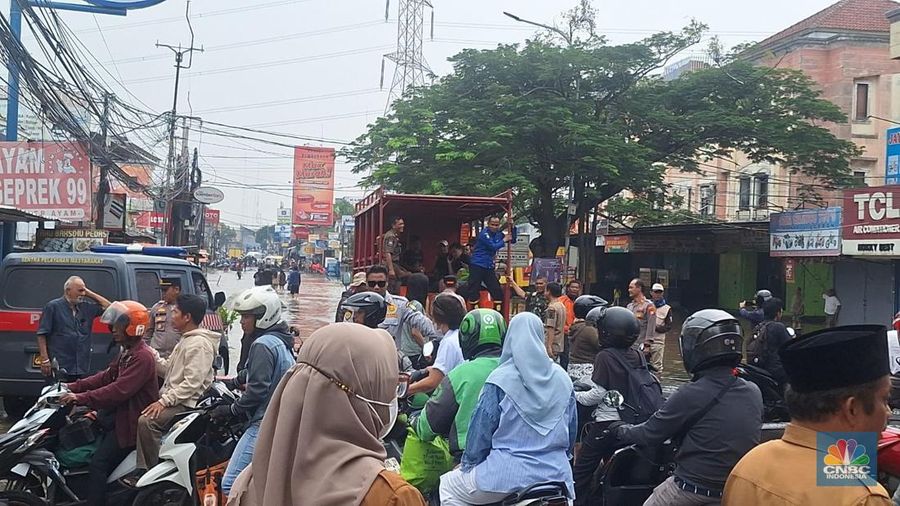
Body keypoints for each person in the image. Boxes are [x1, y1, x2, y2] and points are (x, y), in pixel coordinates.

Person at [226, 323, 426, 506]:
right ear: (364, 394)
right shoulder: (390, 496)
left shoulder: (251, 480)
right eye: (389, 386)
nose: (392, 397)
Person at [607, 309, 763, 506]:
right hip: (736, 489)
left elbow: (648, 434)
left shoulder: (690, 393)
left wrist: (618, 429)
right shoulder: (753, 391)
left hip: (692, 488)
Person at [723, 325, 893, 506]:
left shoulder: (749, 466)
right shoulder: (862, 498)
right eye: (884, 399)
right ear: (852, 409)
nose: (888, 412)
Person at [439, 312, 577, 504]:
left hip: (503, 476)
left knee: (447, 486)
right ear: (541, 335)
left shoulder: (500, 379)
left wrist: (468, 464)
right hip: (558, 477)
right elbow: (571, 433)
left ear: (509, 338)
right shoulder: (563, 378)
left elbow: (480, 431)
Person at [60, 301, 159, 506]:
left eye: (118, 325)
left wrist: (80, 398)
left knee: (98, 464)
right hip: (114, 417)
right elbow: (104, 377)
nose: (113, 329)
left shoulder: (142, 357)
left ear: (132, 328)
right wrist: (71, 386)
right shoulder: (126, 352)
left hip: (128, 425)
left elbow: (117, 391)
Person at [212, 286, 296, 495]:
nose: (241, 322)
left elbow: (257, 391)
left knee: (230, 484)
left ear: (263, 316)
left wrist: (231, 409)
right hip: (278, 420)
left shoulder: (262, 345)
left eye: (246, 317)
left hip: (262, 423)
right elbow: (249, 374)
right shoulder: (280, 341)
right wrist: (228, 383)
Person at [129, 294, 220, 483]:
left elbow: (192, 384)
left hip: (188, 404)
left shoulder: (199, 344)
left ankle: (150, 470)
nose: (172, 316)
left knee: (147, 421)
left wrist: (164, 401)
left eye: (176, 312)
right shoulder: (186, 340)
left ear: (187, 317)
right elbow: (167, 368)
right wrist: (147, 350)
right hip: (176, 398)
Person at [573, 305, 647, 502]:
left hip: (608, 423)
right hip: (632, 419)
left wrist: (574, 396)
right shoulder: (638, 354)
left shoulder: (605, 356)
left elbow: (597, 395)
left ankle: (578, 501)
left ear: (606, 332)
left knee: (581, 469)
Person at [414, 309, 506, 459]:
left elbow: (428, 427)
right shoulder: (519, 370)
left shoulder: (459, 375)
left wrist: (415, 421)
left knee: (447, 483)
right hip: (516, 456)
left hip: (469, 459)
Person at [36, 276, 111, 380]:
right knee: (58, 394)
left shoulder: (86, 307)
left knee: (76, 395)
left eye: (84, 291)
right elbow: (42, 334)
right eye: (80, 290)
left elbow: (109, 307)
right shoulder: (53, 307)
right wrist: (44, 359)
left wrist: (89, 293)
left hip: (80, 366)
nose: (83, 294)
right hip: (60, 365)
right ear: (68, 290)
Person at [366, 265, 440, 348]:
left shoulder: (400, 304)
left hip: (391, 357)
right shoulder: (357, 306)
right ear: (366, 284)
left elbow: (420, 321)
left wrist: (443, 335)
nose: (376, 287)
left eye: (381, 283)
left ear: (387, 283)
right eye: (372, 284)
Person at [408, 293, 467, 396]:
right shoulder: (462, 336)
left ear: (436, 317)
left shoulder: (448, 342)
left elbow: (432, 382)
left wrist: (404, 390)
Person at [461, 216, 512, 305]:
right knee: (474, 289)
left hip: (488, 266)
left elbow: (512, 238)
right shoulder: (484, 234)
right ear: (488, 224)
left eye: (496, 225)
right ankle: (473, 310)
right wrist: (504, 240)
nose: (494, 227)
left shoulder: (498, 234)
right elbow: (493, 246)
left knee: (496, 289)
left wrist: (513, 226)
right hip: (478, 264)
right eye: (492, 224)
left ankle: (498, 310)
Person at [747, 297, 792, 386]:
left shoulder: (759, 326)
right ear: (778, 313)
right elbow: (790, 347)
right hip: (776, 370)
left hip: (759, 368)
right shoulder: (778, 327)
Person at [566, 294, 608, 382]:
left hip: (574, 368)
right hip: (587, 369)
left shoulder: (577, 326)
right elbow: (602, 345)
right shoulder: (588, 329)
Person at [144, 277, 183, 359]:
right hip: (156, 355)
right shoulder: (157, 308)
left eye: (165, 290)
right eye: (162, 291)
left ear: (176, 289)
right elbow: (148, 332)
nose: (163, 294)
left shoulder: (184, 309)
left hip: (176, 356)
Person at [647, 283, 673, 373]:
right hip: (644, 341)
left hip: (658, 342)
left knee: (657, 368)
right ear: (651, 293)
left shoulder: (667, 309)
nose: (658, 294)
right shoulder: (646, 305)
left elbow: (668, 326)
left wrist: (655, 327)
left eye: (660, 292)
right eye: (656, 292)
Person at [626, 278, 656, 351]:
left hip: (641, 346)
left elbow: (651, 325)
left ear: (639, 288)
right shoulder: (629, 306)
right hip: (628, 345)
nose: (629, 290)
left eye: (631, 287)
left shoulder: (649, 306)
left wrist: (647, 345)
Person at [383, 216, 409, 293]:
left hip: (396, 264)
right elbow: (388, 253)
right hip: (392, 264)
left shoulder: (395, 236)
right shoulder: (391, 236)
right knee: (406, 277)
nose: (402, 226)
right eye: (400, 224)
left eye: (403, 224)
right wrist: (391, 270)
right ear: (393, 225)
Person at [544, 282, 567, 361]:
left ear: (549, 291)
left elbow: (551, 328)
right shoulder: (562, 306)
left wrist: (549, 346)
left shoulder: (552, 308)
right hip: (559, 344)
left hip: (553, 345)